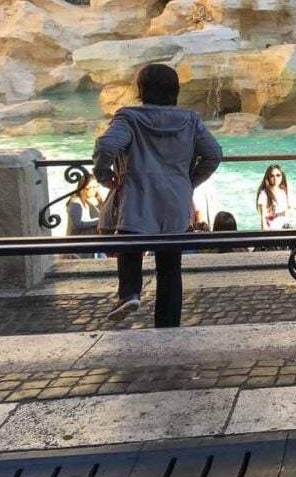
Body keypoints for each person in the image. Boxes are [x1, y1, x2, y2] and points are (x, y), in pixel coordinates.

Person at [95, 64, 222, 327]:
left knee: (129, 246)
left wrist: (103, 175)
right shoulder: (190, 120)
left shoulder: (129, 118)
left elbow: (107, 145)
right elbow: (214, 154)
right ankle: (167, 324)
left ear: (142, 89)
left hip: (137, 197)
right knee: (170, 266)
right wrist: (189, 181)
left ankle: (130, 292)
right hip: (175, 201)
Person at [256, 165, 294, 231]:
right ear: (268, 178)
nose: (275, 178)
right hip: (273, 230)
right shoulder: (264, 194)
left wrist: (285, 213)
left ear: (282, 176)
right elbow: (263, 218)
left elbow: (291, 208)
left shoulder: (285, 191)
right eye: (272, 176)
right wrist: (264, 236)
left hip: (286, 228)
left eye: (278, 175)